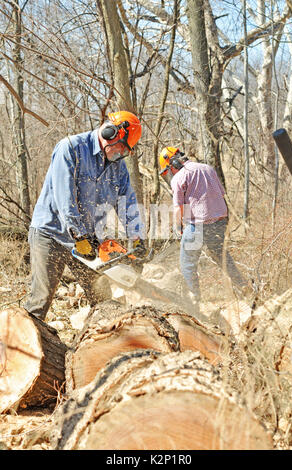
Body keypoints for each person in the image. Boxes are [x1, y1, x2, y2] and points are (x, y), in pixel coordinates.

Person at [24, 110, 146, 321]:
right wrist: (79, 235)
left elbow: (127, 202)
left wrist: (137, 237)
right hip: (51, 233)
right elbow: (65, 198)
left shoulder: (118, 167)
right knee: (41, 299)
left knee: (102, 298)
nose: (120, 153)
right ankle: (16, 346)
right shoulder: (71, 148)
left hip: (88, 239)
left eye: (125, 151)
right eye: (120, 147)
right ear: (110, 132)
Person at [159, 146, 249, 304]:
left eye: (169, 170)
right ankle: (244, 287)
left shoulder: (179, 178)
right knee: (222, 258)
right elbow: (221, 193)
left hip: (198, 226)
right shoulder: (207, 168)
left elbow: (178, 207)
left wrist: (178, 227)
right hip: (220, 221)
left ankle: (195, 301)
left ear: (172, 163)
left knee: (187, 264)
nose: (171, 173)